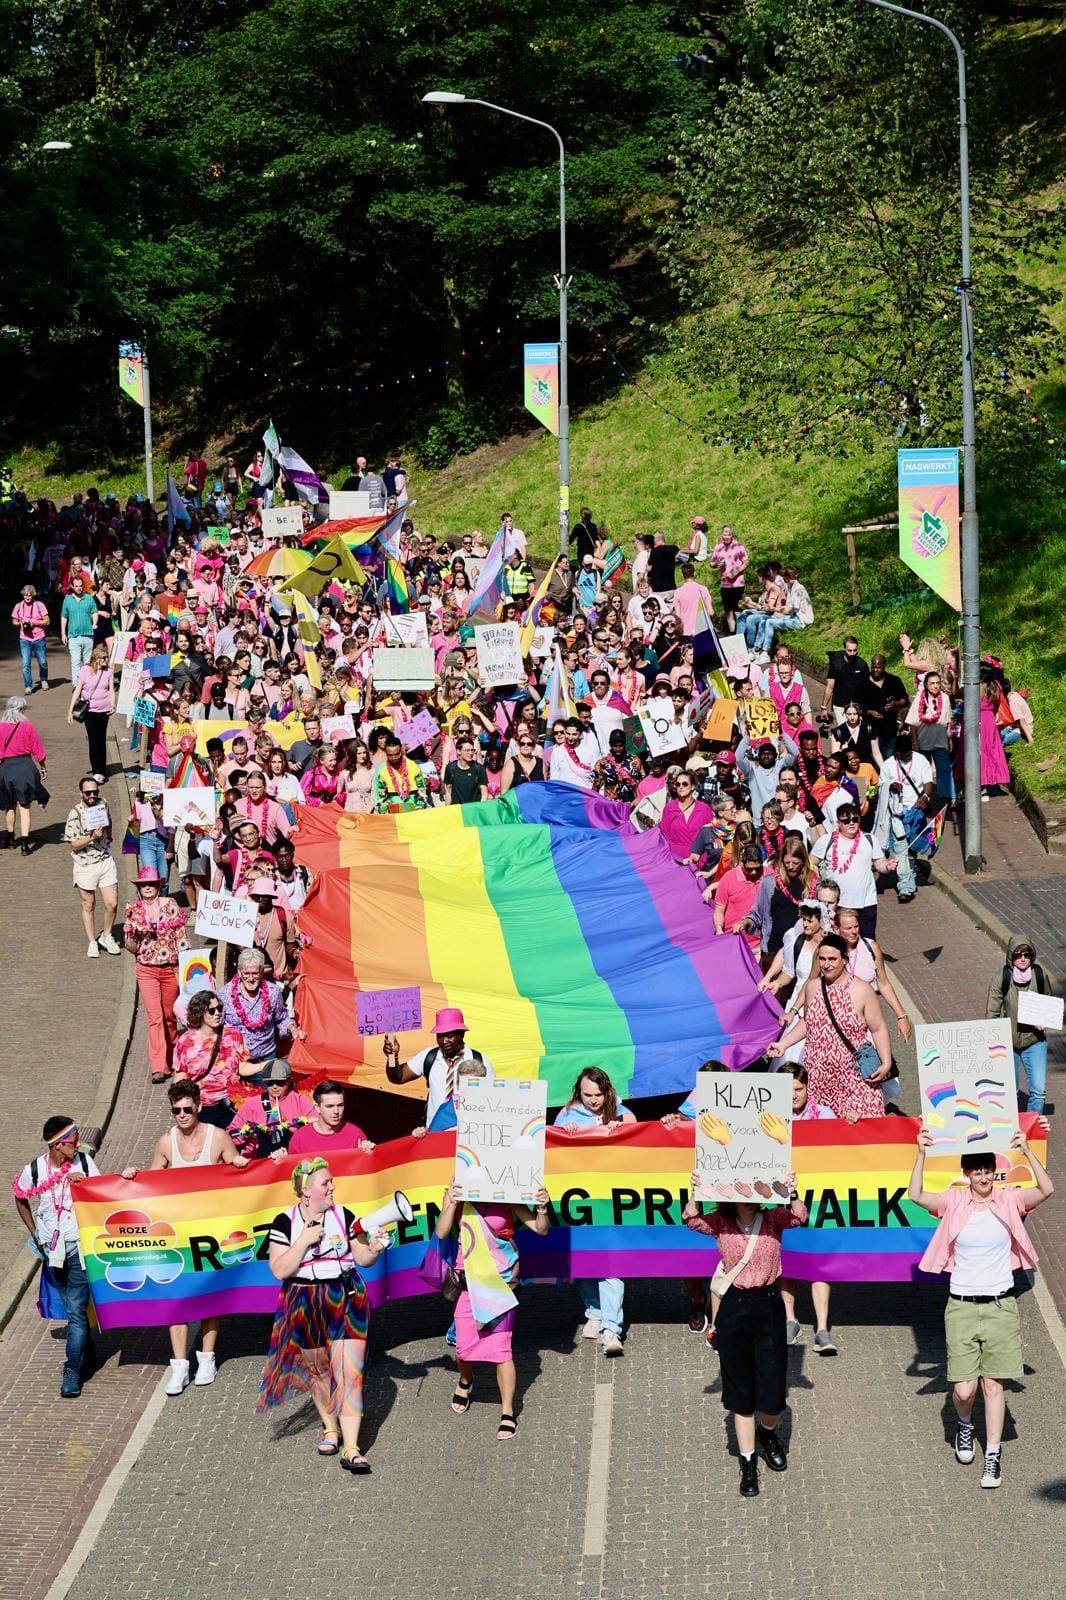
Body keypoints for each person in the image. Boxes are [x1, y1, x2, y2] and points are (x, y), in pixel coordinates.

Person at [909, 1125, 1053, 1489]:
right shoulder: (954, 1202)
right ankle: (964, 1424)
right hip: (961, 1307)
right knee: (963, 1391)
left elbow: (1047, 1189)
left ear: (994, 1171)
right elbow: (916, 1196)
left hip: (1001, 1306)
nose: (984, 1176)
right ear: (967, 1174)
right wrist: (921, 1152)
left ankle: (992, 1456)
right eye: (977, 1171)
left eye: (988, 1170)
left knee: (993, 1386)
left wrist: (1027, 1150)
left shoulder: (1009, 1200)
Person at [258, 1156, 393, 1471]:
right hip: (304, 1299)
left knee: (349, 1374)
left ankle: (352, 1447)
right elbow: (279, 1269)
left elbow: (362, 1257)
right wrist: (304, 1241)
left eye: (332, 1181)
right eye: (325, 1183)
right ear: (306, 1191)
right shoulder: (284, 1222)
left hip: (345, 1296)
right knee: (318, 1370)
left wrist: (374, 1247)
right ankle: (330, 1427)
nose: (332, 1186)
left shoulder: (344, 1215)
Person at [683, 1164, 808, 1496]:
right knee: (741, 1397)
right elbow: (690, 1218)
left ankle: (767, 1432)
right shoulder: (721, 1223)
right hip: (735, 1308)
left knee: (772, 1399)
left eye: (756, 1190)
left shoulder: (773, 1220)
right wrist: (696, 1187)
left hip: (768, 1306)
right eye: (744, 1191)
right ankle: (749, 1465)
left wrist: (793, 1190)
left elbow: (800, 1217)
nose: (750, 1198)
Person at [121, 1079, 248, 1393]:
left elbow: (237, 1172)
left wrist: (241, 1164)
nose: (181, 1115)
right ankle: (179, 1365)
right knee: (176, 1297)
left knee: (209, 1294)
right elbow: (152, 1181)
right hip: (178, 1231)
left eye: (186, 1109)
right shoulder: (166, 1142)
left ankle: (207, 1357)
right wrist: (132, 1178)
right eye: (175, 1110)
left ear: (199, 1107)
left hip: (211, 1229)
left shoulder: (217, 1137)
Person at [436, 1179, 551, 1440]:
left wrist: (543, 1209)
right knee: (464, 1347)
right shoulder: (457, 1189)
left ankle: (508, 1411)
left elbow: (541, 1229)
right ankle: (466, 1380)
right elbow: (442, 1232)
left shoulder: (509, 1193)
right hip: (468, 1280)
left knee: (501, 1350)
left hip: (501, 1282)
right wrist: (452, 1202)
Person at [12, 1117, 100, 1397]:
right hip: (53, 1251)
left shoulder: (84, 1163)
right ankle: (88, 1352)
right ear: (59, 1145)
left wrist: (82, 1185)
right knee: (72, 1309)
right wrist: (35, 1232)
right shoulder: (35, 1170)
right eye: (73, 1141)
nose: (78, 1144)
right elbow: (19, 1196)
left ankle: (71, 1370)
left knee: (74, 1312)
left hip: (79, 1248)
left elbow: (103, 1192)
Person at [778, 1064, 859, 1354]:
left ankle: (822, 1329)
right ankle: (790, 1319)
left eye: (798, 1089)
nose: (793, 1097)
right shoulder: (770, 1119)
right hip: (783, 1199)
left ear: (807, 1087)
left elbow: (844, 1146)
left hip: (819, 1200)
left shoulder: (825, 1115)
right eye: (787, 1092)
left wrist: (850, 1124)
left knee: (818, 1261)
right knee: (786, 1259)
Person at [554, 1068, 635, 1356]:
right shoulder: (566, 1116)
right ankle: (595, 1311)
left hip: (612, 1204)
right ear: (579, 1092)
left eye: (598, 1095)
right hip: (580, 1203)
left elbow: (638, 1149)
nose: (593, 1101)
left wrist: (623, 1132)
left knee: (611, 1264)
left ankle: (612, 1328)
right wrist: (565, 1135)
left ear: (607, 1091)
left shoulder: (624, 1113)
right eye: (587, 1095)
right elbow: (554, 1156)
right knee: (586, 1261)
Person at [767, 935, 892, 1119]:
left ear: (844, 959)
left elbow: (878, 1028)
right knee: (823, 1136)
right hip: (818, 1076)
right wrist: (783, 1044)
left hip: (852, 1077)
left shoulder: (862, 990)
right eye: (822, 959)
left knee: (859, 1133)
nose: (826, 964)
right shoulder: (812, 987)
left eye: (832, 959)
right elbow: (809, 1022)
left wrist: (886, 1061)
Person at [122, 865, 188, 1083]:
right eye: (144, 885)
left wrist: (184, 965)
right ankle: (158, 1067)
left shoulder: (170, 905)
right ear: (139, 888)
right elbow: (131, 948)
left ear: (159, 885)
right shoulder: (135, 911)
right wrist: (131, 932)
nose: (147, 887)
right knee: (155, 1017)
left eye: (151, 884)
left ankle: (173, 1057)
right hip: (146, 969)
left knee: (169, 1016)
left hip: (170, 968)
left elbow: (181, 936)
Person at [384, 1009, 495, 1129]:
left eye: (450, 1036)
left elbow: (492, 1102)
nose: (444, 1041)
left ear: (461, 1034)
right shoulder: (428, 1057)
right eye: (440, 1036)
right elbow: (398, 1077)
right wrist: (392, 1056)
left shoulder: (479, 1060)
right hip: (435, 1134)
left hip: (467, 1136)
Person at [986, 934, 1058, 1114]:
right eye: (1018, 954)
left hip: (1035, 1042)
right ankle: (1013, 1130)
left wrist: (1045, 1020)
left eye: (1026, 954)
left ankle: (1032, 1132)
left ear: (1032, 955)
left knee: (1039, 1092)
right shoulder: (1001, 978)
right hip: (1008, 1044)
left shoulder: (1040, 975)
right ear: (1011, 956)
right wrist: (995, 1042)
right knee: (1010, 1092)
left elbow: (1048, 1002)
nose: (1023, 958)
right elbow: (992, 1014)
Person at [809, 804, 897, 939]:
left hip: (866, 903)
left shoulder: (869, 839)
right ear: (838, 823)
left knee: (867, 942)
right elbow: (811, 863)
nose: (851, 823)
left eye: (855, 819)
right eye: (846, 820)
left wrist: (888, 866)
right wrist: (820, 886)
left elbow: (879, 862)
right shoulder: (827, 841)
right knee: (838, 942)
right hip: (838, 904)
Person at [871, 729, 935, 905]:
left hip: (916, 811)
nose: (905, 758)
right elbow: (880, 786)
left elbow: (929, 782)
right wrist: (890, 786)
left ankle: (911, 869)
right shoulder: (888, 765)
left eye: (907, 755)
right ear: (896, 752)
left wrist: (926, 796)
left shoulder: (921, 760)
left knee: (912, 847)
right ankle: (905, 887)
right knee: (901, 849)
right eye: (901, 755)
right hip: (896, 813)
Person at [173, 989, 251, 1121]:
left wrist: (266, 1065)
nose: (217, 1013)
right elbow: (181, 1075)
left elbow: (242, 1067)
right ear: (199, 1013)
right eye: (211, 1010)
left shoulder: (233, 1034)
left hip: (230, 1102)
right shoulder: (186, 1042)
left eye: (219, 1008)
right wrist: (180, 1105)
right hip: (202, 1105)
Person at [63, 775, 120, 955]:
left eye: (95, 791)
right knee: (89, 904)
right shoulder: (75, 814)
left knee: (111, 903)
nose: (92, 795)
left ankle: (107, 935)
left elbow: (109, 821)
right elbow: (73, 844)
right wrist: (91, 838)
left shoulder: (103, 804)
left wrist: (108, 837)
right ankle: (91, 942)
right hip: (85, 864)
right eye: (88, 792)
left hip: (104, 860)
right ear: (81, 793)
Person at [228, 1058, 317, 1159]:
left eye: (279, 1082)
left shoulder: (301, 1101)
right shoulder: (251, 1103)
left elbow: (317, 1129)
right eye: (270, 1082)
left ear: (289, 1081)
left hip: (292, 1158)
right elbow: (231, 1133)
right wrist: (246, 1136)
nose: (274, 1086)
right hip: (258, 1161)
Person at [219, 948, 294, 1068]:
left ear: (262, 972)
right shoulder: (224, 994)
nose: (250, 978)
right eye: (246, 973)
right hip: (235, 1059)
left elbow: (282, 1018)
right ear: (239, 972)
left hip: (265, 1057)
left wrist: (292, 1028)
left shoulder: (273, 992)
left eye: (255, 973)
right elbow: (217, 1025)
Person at [0, 695, 49, 855]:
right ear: (21, 710)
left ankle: (10, 837)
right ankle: (25, 843)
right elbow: (38, 750)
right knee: (25, 806)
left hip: (7, 768)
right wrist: (43, 766)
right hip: (25, 767)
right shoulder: (28, 727)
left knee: (9, 804)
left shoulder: (1, 727)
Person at [67, 642, 115, 783]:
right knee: (93, 740)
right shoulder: (84, 670)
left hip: (104, 709)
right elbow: (78, 690)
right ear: (96, 658)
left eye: (107, 658)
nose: (106, 660)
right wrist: (70, 710)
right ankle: (96, 770)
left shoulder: (109, 672)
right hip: (89, 711)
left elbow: (111, 690)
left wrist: (112, 705)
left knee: (102, 739)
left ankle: (102, 769)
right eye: (103, 658)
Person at [288, 1081, 376, 1155]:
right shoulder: (300, 1138)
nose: (336, 1111)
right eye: (330, 1106)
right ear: (317, 1107)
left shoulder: (356, 1134)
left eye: (340, 1105)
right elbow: (292, 1171)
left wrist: (369, 1152)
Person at [905, 670, 954, 803]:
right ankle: (922, 798)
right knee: (922, 772)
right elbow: (913, 723)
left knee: (944, 768)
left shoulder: (945, 698)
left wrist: (950, 739)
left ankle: (947, 797)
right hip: (923, 742)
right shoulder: (919, 698)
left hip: (940, 741)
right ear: (926, 685)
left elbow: (948, 720)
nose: (935, 686)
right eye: (932, 683)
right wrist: (915, 743)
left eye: (938, 683)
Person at [820, 637, 870, 727]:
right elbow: (830, 687)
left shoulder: (862, 665)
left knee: (857, 735)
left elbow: (867, 688)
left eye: (855, 650)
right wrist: (824, 707)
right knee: (846, 732)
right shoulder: (836, 665)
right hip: (840, 705)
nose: (852, 653)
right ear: (844, 649)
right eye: (849, 650)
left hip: (857, 706)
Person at [710, 524, 749, 634]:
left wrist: (737, 572)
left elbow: (746, 562)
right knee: (728, 610)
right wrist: (718, 564)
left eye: (728, 534)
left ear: (731, 534)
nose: (726, 536)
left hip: (738, 583)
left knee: (737, 609)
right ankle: (732, 632)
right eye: (725, 534)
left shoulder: (738, 546)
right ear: (722, 534)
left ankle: (741, 633)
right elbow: (711, 563)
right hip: (725, 583)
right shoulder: (719, 547)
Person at [12, 583, 50, 692]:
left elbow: (47, 621)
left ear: (33, 595)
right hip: (24, 639)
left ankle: (43, 680)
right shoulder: (18, 606)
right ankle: (28, 685)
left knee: (42, 661)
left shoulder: (39, 605)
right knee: (25, 664)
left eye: (29, 595)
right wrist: (21, 623)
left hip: (39, 638)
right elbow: (14, 621)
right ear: (23, 595)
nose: (27, 597)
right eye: (25, 595)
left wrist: (34, 623)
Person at [60, 575, 98, 678]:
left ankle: (86, 685)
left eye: (80, 586)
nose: (79, 588)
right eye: (76, 586)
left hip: (88, 634)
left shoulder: (89, 598)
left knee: (87, 663)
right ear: (72, 586)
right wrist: (63, 633)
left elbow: (94, 612)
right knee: (75, 663)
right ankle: (76, 686)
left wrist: (94, 623)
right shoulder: (67, 600)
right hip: (73, 635)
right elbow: (64, 617)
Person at [444, 734, 488, 805]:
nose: (470, 753)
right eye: (467, 750)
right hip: (458, 811)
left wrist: (480, 809)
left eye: (472, 750)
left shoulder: (479, 769)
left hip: (473, 810)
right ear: (458, 751)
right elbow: (448, 792)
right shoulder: (450, 768)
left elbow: (484, 794)